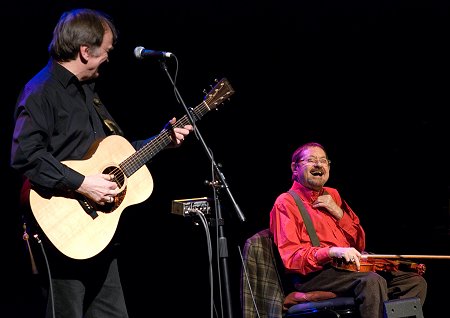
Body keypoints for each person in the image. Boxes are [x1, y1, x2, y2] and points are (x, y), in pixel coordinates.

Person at [10, 8, 193, 318]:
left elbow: (116, 156)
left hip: (98, 235)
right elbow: (25, 156)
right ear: (85, 51)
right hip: (62, 235)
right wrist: (83, 183)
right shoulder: (41, 92)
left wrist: (162, 139)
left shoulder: (87, 93)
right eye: (107, 50)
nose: (109, 57)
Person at [269, 142, 427, 318]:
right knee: (371, 282)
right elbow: (292, 258)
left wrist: (338, 213)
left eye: (323, 161)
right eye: (311, 160)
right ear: (295, 168)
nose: (318, 165)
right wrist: (331, 251)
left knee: (414, 282)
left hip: (348, 270)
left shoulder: (333, 195)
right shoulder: (286, 202)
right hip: (314, 275)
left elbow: (358, 242)